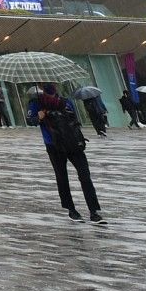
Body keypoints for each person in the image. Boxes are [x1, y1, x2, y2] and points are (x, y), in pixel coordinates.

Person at [26, 84, 105, 225]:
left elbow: (74, 120)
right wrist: (39, 117)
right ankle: (71, 209)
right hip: (53, 144)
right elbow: (30, 121)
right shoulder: (36, 103)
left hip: (73, 142)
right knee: (62, 177)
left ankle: (94, 211)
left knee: (85, 175)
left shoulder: (65, 101)